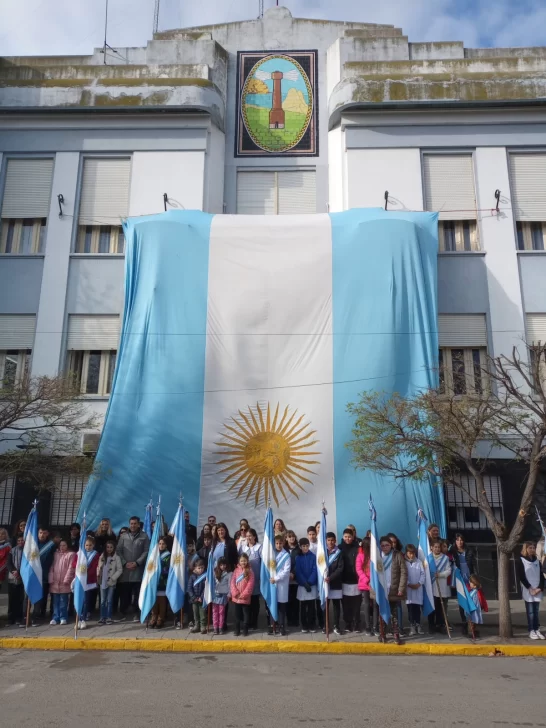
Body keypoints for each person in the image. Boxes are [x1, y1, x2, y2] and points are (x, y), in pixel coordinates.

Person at [116, 515, 150, 622]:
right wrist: (124, 563)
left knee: (137, 593)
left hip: (138, 570)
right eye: (131, 524)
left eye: (135, 523)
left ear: (138, 524)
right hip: (125, 570)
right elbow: (119, 551)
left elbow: (146, 551)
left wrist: (137, 563)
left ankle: (137, 613)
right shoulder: (123, 536)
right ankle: (123, 613)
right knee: (124, 593)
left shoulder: (144, 536)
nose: (133, 525)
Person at [375, 535, 407, 645]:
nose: (385, 547)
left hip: (394, 588)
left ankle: (396, 634)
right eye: (382, 545)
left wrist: (401, 588)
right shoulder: (377, 556)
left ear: (391, 545)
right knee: (382, 612)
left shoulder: (397, 555)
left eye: (387, 545)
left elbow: (403, 572)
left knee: (394, 613)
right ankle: (382, 633)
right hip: (382, 589)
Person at [517, 541, 545, 640]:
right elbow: (521, 576)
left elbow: (541, 576)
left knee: (536, 611)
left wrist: (540, 588)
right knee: (531, 612)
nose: (532, 549)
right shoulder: (521, 560)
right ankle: (531, 630)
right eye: (530, 548)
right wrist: (530, 588)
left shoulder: (537, 560)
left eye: (533, 548)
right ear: (526, 549)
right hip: (528, 589)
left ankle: (537, 629)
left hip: (537, 589)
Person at [48, 539, 76, 625]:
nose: (62, 547)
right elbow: (52, 566)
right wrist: (51, 578)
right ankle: (55, 617)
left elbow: (71, 568)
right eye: (61, 545)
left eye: (64, 545)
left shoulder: (71, 554)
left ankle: (63, 617)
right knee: (55, 602)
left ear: (67, 546)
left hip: (64, 582)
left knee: (64, 601)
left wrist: (67, 579)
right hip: (55, 582)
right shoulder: (55, 554)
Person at [32, 526, 55, 625]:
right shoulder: (33, 544)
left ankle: (41, 614)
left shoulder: (51, 545)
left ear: (48, 534)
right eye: (40, 532)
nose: (42, 535)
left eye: (44, 533)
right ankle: (29, 615)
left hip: (45, 574)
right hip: (33, 574)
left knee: (43, 595)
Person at [428, 539, 452, 634]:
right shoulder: (428, 558)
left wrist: (440, 574)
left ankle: (440, 625)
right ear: (432, 548)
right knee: (432, 607)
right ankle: (431, 625)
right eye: (435, 547)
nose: (437, 549)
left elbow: (449, 570)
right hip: (431, 586)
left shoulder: (445, 558)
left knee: (440, 607)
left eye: (439, 547)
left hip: (441, 585)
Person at [97, 539, 123, 625]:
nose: (109, 549)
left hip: (111, 582)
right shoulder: (102, 557)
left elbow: (119, 570)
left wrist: (113, 578)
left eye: (111, 547)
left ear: (114, 548)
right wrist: (98, 574)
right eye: (107, 547)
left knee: (109, 600)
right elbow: (98, 567)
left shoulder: (117, 558)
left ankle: (109, 617)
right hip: (102, 581)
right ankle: (102, 617)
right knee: (102, 600)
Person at [269, 533, 291, 636]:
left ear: (283, 543)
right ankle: (272, 625)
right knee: (272, 605)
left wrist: (276, 578)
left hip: (281, 584)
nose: (278, 545)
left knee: (282, 607)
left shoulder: (286, 555)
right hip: (272, 584)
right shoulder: (271, 554)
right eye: (277, 543)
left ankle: (282, 626)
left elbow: (286, 571)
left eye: (280, 543)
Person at [340, 527, 361, 632]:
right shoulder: (339, 548)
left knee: (356, 605)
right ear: (343, 537)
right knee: (346, 605)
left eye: (349, 537)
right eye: (346, 537)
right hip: (344, 581)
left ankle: (356, 623)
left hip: (356, 580)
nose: (347, 538)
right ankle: (348, 623)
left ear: (353, 537)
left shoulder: (357, 548)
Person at [295, 537, 317, 633]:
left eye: (307, 546)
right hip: (302, 586)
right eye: (303, 546)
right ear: (300, 547)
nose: (305, 548)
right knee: (303, 607)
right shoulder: (297, 558)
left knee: (312, 606)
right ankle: (304, 625)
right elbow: (298, 571)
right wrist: (304, 583)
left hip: (311, 585)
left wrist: (310, 582)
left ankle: (312, 624)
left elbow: (315, 570)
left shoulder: (313, 556)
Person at [230, 552, 255, 636]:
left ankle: (245, 629)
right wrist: (235, 593)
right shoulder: (236, 571)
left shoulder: (250, 571)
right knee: (237, 614)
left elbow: (250, 585)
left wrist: (243, 595)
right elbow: (232, 582)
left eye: (245, 561)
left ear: (247, 561)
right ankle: (237, 629)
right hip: (236, 598)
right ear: (239, 562)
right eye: (241, 561)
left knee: (246, 614)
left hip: (245, 598)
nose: (243, 562)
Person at [78, 534, 99, 629]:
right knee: (79, 600)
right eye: (86, 545)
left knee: (86, 600)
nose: (88, 547)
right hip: (80, 580)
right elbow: (75, 564)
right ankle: (78, 619)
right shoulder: (79, 553)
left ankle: (84, 618)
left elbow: (95, 566)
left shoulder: (96, 554)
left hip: (89, 580)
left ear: (93, 545)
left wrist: (86, 573)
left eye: (90, 545)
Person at [150, 537, 170, 629]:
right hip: (154, 581)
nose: (161, 545)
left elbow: (168, 569)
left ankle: (161, 618)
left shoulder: (168, 555)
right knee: (154, 600)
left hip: (163, 581)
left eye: (163, 544)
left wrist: (160, 570)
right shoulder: (154, 554)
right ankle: (154, 616)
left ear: (166, 545)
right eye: (160, 543)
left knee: (161, 601)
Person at [405, 543, 425, 636]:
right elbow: (403, 574)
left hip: (417, 589)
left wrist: (419, 583)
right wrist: (408, 583)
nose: (411, 555)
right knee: (410, 609)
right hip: (409, 589)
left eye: (413, 553)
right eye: (410, 553)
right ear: (406, 553)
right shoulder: (404, 562)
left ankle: (418, 624)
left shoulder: (419, 562)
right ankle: (412, 626)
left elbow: (423, 574)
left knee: (417, 609)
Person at [244, 528, 262, 629]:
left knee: (255, 601)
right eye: (247, 536)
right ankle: (248, 621)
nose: (248, 538)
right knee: (247, 602)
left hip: (256, 579)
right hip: (246, 580)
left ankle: (254, 622)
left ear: (254, 536)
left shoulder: (259, 547)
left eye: (250, 536)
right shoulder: (243, 548)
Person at [355, 536, 373, 635]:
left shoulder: (374, 555)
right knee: (366, 604)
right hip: (365, 584)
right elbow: (359, 570)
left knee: (375, 605)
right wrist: (367, 580)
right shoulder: (360, 555)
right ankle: (368, 626)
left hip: (374, 584)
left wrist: (373, 581)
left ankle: (376, 625)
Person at [7, 535, 24, 625]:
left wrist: (20, 573)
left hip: (22, 579)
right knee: (12, 600)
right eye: (19, 540)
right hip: (12, 578)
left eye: (22, 540)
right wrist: (14, 571)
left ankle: (18, 618)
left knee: (20, 600)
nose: (20, 542)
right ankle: (10, 618)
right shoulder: (12, 550)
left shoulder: (27, 551)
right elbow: (8, 563)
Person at [286, 530, 301, 627]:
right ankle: (289, 620)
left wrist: (293, 573)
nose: (292, 538)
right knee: (288, 600)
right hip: (285, 579)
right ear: (286, 538)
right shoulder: (283, 549)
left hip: (295, 579)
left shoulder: (298, 550)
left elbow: (299, 563)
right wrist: (287, 574)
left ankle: (295, 620)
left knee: (295, 601)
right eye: (289, 536)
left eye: (293, 536)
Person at [188, 559, 207, 634]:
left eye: (202, 567)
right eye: (199, 568)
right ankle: (197, 626)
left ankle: (203, 626)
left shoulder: (205, 576)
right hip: (194, 599)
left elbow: (206, 588)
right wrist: (194, 597)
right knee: (195, 613)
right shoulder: (192, 577)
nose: (201, 569)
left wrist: (201, 597)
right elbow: (189, 588)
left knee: (202, 613)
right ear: (195, 568)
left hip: (202, 599)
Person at [212, 556, 230, 635]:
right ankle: (215, 627)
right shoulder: (214, 572)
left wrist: (229, 594)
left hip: (223, 596)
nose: (223, 566)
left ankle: (221, 627)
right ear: (218, 565)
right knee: (215, 612)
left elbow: (229, 585)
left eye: (224, 565)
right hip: (215, 595)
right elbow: (212, 583)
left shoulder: (228, 573)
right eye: (221, 565)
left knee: (221, 612)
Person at [0, 527, 11, 593]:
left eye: (2, 534)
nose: (0, 535)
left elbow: (7, 560)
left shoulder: (7, 546)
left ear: (5, 535)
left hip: (1, 571)